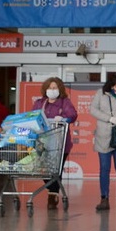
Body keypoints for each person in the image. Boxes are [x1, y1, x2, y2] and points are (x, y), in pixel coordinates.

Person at [31, 77, 78, 208]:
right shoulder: (40, 103)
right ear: (45, 89)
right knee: (44, 170)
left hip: (60, 143)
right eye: (50, 88)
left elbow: (73, 115)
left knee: (56, 170)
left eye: (55, 88)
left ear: (60, 89)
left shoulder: (64, 102)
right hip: (43, 142)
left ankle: (53, 196)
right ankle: (53, 191)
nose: (52, 90)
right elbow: (32, 116)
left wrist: (64, 118)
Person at [90, 72, 116, 212]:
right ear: (111, 85)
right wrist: (109, 118)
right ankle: (104, 198)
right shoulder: (100, 94)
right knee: (104, 169)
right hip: (103, 136)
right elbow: (93, 110)